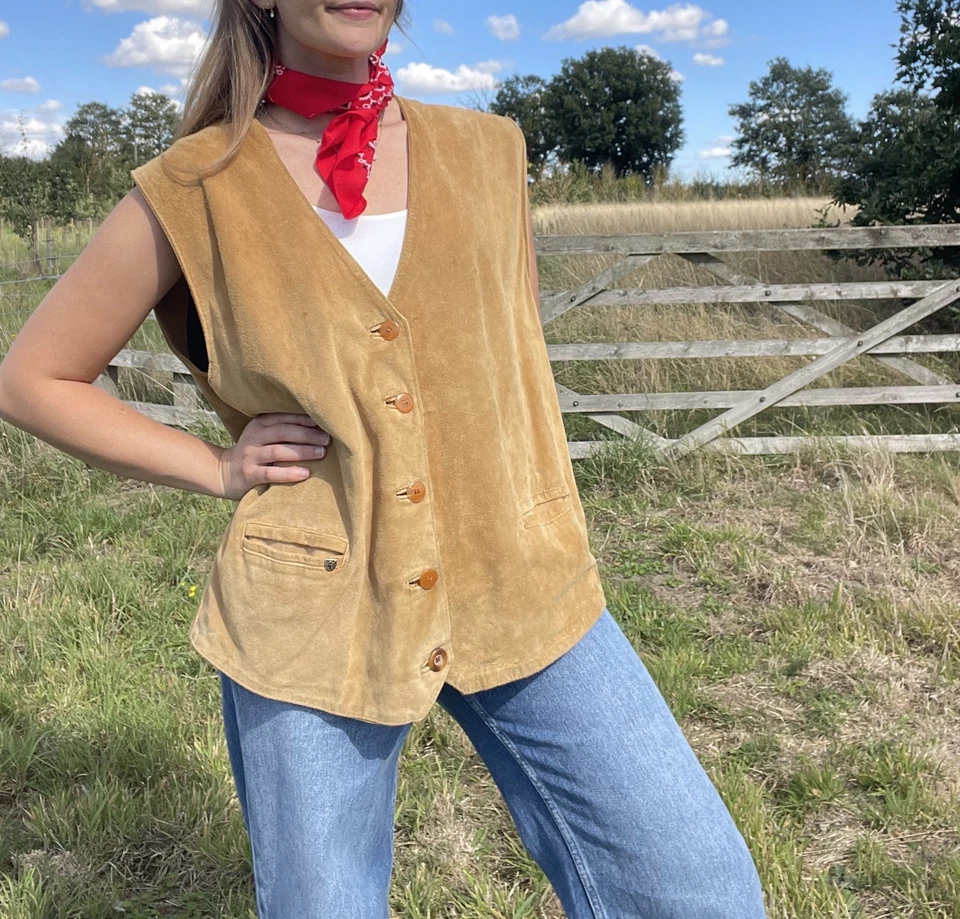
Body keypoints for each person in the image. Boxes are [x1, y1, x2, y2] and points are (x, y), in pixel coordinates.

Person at [0, 2, 769, 917]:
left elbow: (513, 357)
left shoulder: (490, 153)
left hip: (523, 573)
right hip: (311, 609)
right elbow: (34, 378)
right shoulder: (194, 186)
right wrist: (216, 466)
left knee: (696, 885)